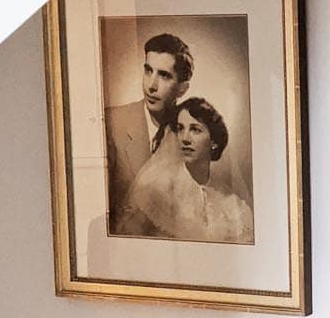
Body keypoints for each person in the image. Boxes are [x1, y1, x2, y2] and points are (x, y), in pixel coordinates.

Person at [121, 96, 254, 245]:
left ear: (214, 142)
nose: (184, 138)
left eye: (195, 130)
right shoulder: (154, 191)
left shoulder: (230, 203)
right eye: (180, 128)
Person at [104, 32, 193, 233]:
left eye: (164, 75)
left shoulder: (191, 137)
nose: (151, 86)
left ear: (182, 89)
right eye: (148, 71)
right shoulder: (112, 123)